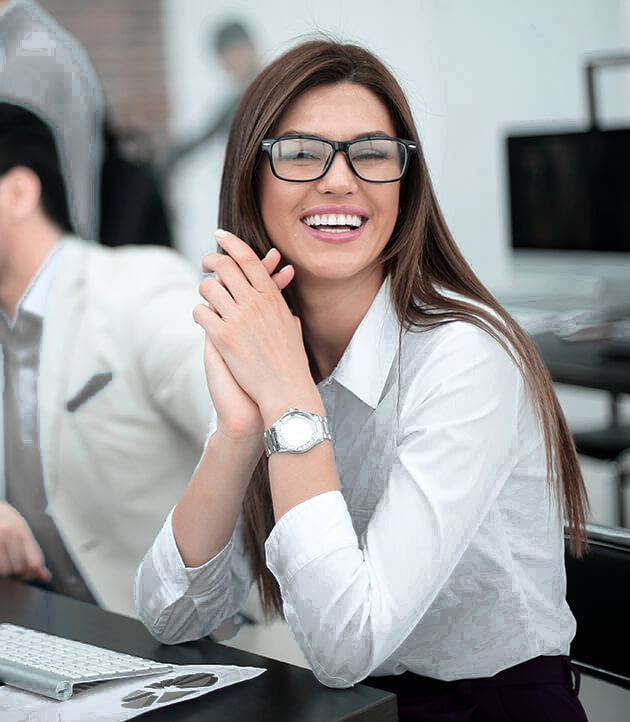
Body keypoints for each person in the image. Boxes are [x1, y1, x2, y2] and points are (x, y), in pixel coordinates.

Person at [135, 39, 590, 720]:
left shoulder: (464, 356)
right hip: (359, 709)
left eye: (372, 153)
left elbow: (346, 644)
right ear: (251, 181)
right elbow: (170, 616)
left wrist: (289, 404)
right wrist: (235, 433)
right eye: (301, 153)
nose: (340, 180)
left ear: (404, 186)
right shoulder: (273, 347)